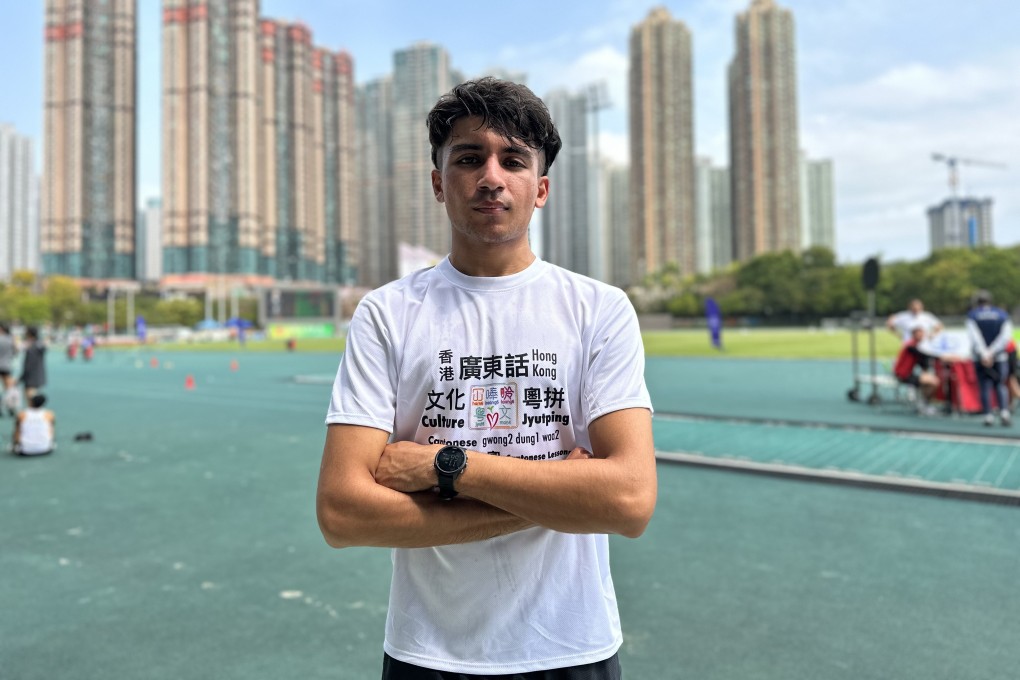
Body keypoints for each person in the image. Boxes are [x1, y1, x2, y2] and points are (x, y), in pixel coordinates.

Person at [317, 77, 656, 679]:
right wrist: (556, 496)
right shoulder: (388, 313)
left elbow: (628, 500)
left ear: (541, 188)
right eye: (469, 158)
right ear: (439, 183)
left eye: (514, 160)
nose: (491, 176)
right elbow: (343, 513)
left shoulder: (598, 309)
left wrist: (446, 466)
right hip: (430, 652)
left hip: (571, 648)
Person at [965, 290, 1013, 426]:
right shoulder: (1001, 314)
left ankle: (988, 415)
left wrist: (985, 353)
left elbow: (975, 337)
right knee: (1000, 384)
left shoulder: (973, 315)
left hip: (981, 357)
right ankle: (1004, 412)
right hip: (999, 356)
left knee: (985, 386)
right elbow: (1005, 337)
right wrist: (993, 352)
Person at [893, 324, 940, 415]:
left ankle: (923, 403)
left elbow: (922, 361)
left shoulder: (915, 345)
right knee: (933, 382)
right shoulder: (911, 345)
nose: (922, 336)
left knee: (930, 380)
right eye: (919, 334)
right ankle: (923, 404)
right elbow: (923, 355)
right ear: (914, 335)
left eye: (922, 334)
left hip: (906, 373)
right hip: (903, 374)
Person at [19, 326, 47, 401]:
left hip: (31, 376)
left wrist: (21, 377)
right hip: (37, 374)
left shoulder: (32, 346)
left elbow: (29, 364)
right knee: (33, 395)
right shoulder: (38, 344)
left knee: (30, 398)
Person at [0, 323, 15, 416]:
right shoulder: (10, 339)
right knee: (8, 388)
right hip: (7, 365)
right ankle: (10, 406)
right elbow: (15, 351)